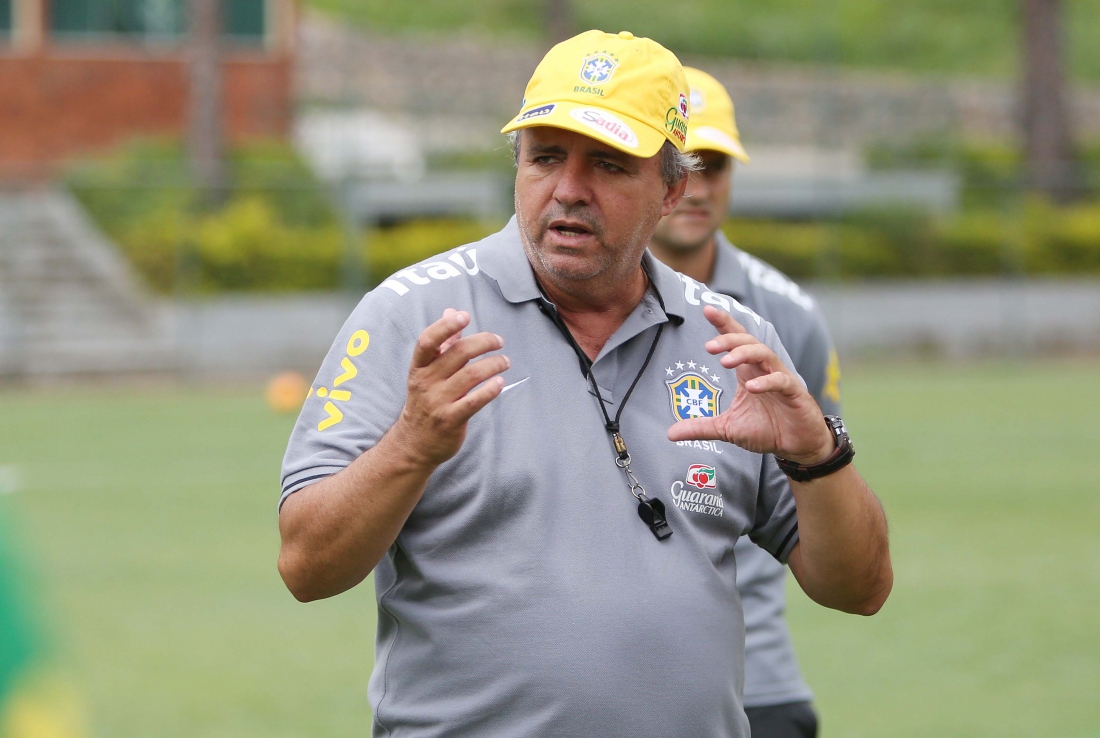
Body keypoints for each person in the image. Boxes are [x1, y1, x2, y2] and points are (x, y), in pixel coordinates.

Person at [278, 30, 891, 738]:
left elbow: (860, 588)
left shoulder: (733, 340)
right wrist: (413, 445)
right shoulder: (412, 316)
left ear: (671, 189)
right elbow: (305, 566)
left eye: (606, 164)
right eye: (544, 158)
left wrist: (817, 454)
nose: (568, 189)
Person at [650, 67, 841, 738]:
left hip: (755, 675)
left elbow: (827, 494)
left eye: (717, 165)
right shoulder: (574, 296)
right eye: (685, 163)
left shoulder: (789, 315)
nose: (698, 186)